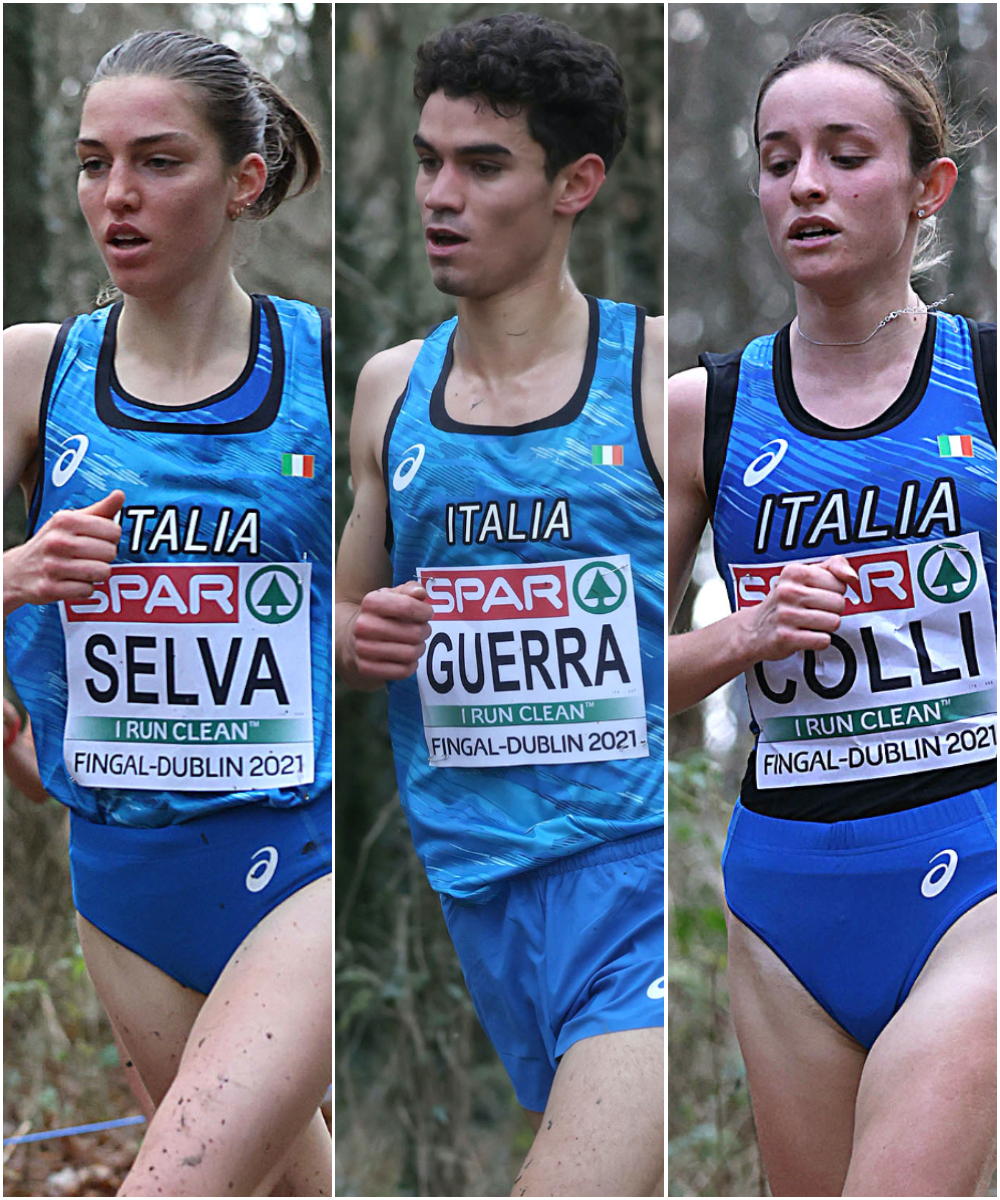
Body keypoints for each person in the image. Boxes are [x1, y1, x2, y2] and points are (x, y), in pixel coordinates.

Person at [335, 12, 664, 1197]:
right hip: (478, 878)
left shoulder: (653, 378)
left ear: (576, 183)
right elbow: (327, 631)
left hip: (635, 875)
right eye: (428, 161)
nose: (440, 195)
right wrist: (361, 639)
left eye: (483, 166)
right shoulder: (391, 391)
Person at [668, 14, 996, 1197]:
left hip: (976, 867)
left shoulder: (987, 379)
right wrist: (743, 633)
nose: (803, 184)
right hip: (784, 900)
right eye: (776, 160)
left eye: (845, 155)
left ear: (927, 188)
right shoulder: (702, 410)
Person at [3, 30, 332, 1197]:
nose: (117, 196)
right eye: (93, 164)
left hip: (306, 863)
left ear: (244, 179)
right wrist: (15, 575)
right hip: (123, 874)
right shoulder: (34, 371)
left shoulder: (334, 369)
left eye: (157, 161)